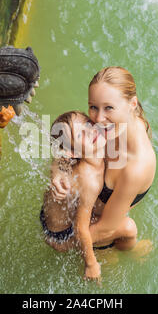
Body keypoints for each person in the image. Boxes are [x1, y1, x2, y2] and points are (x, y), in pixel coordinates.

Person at [51, 67, 156, 253]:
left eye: (109, 108)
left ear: (132, 104)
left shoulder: (136, 167)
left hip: (89, 227)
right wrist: (60, 169)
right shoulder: (112, 124)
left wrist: (61, 244)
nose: (98, 119)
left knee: (129, 229)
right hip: (68, 212)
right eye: (93, 107)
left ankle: (119, 252)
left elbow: (105, 228)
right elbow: (66, 143)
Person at [41, 110, 138, 281]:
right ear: (73, 152)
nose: (91, 131)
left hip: (56, 213)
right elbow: (80, 228)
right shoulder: (89, 180)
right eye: (81, 134)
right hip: (62, 233)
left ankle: (107, 248)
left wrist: (56, 173)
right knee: (128, 228)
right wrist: (91, 264)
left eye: (87, 124)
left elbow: (61, 156)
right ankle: (115, 252)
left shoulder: (90, 152)